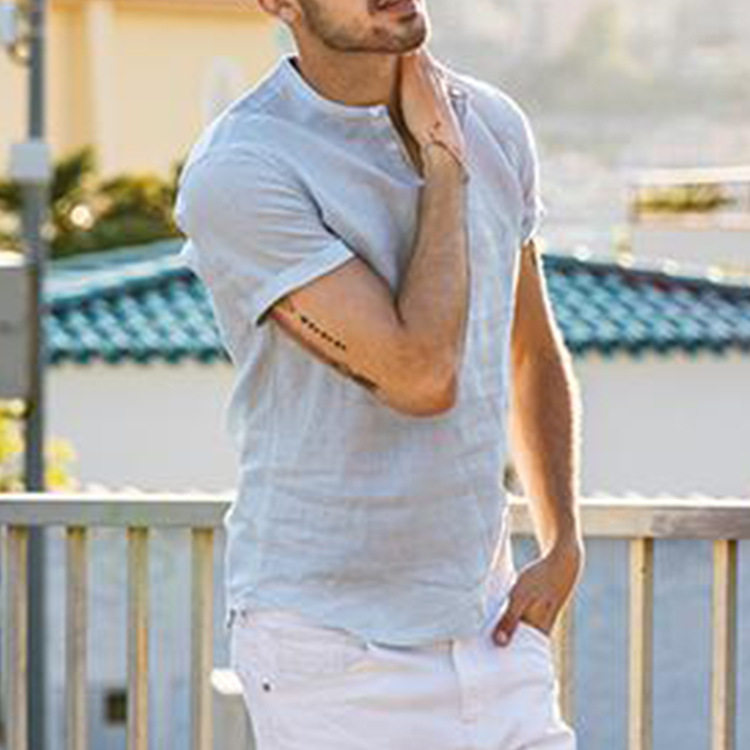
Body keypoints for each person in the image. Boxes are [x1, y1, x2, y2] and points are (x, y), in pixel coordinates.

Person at [173, 0, 584, 747]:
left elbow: (528, 348)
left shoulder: (495, 123)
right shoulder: (241, 169)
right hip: (332, 647)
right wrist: (443, 164)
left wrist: (562, 543)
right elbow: (421, 376)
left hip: (493, 626)